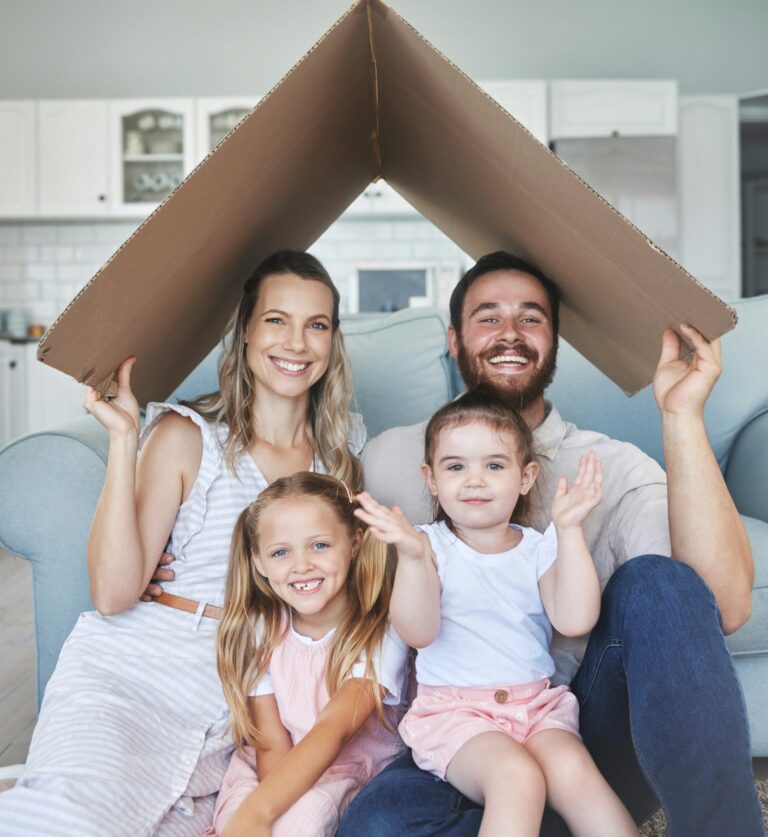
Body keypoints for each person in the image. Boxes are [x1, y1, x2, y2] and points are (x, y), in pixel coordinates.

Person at [340, 251, 762, 835]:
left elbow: (726, 604)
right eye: (488, 317)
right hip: (451, 733)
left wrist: (682, 415)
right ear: (454, 341)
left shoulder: (605, 467)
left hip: (569, 728)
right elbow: (314, 558)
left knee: (659, 582)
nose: (509, 332)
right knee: (372, 827)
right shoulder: (391, 458)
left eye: (531, 318)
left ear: (555, 341)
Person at [0, 250, 366, 837]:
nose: (296, 343)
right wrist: (124, 440)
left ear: (333, 340)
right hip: (138, 672)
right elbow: (114, 595)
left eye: (316, 325)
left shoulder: (340, 460)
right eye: (277, 320)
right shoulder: (186, 435)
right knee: (67, 822)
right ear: (245, 332)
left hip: (241, 699)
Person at [355, 391, 637, 836]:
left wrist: (569, 531)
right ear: (431, 479)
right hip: (456, 714)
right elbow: (418, 631)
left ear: (526, 478)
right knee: (516, 778)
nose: (474, 480)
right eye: (455, 467)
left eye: (494, 465)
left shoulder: (539, 547)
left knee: (575, 774)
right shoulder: (428, 546)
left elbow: (575, 619)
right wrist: (410, 558)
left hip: (537, 708)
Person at [206, 472, 407, 837]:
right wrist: (259, 813)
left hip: (345, 770)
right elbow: (271, 742)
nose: (302, 565)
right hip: (276, 767)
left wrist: (264, 813)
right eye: (281, 552)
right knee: (235, 822)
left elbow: (334, 729)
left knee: (304, 820)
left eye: (319, 545)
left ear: (354, 543)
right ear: (259, 563)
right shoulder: (262, 630)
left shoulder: (380, 630)